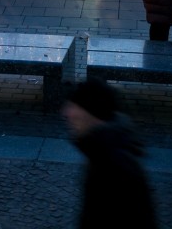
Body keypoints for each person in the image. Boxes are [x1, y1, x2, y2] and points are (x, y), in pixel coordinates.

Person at [61, 79, 157, 229]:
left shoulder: (113, 163)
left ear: (90, 112)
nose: (66, 113)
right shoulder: (102, 151)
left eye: (73, 107)